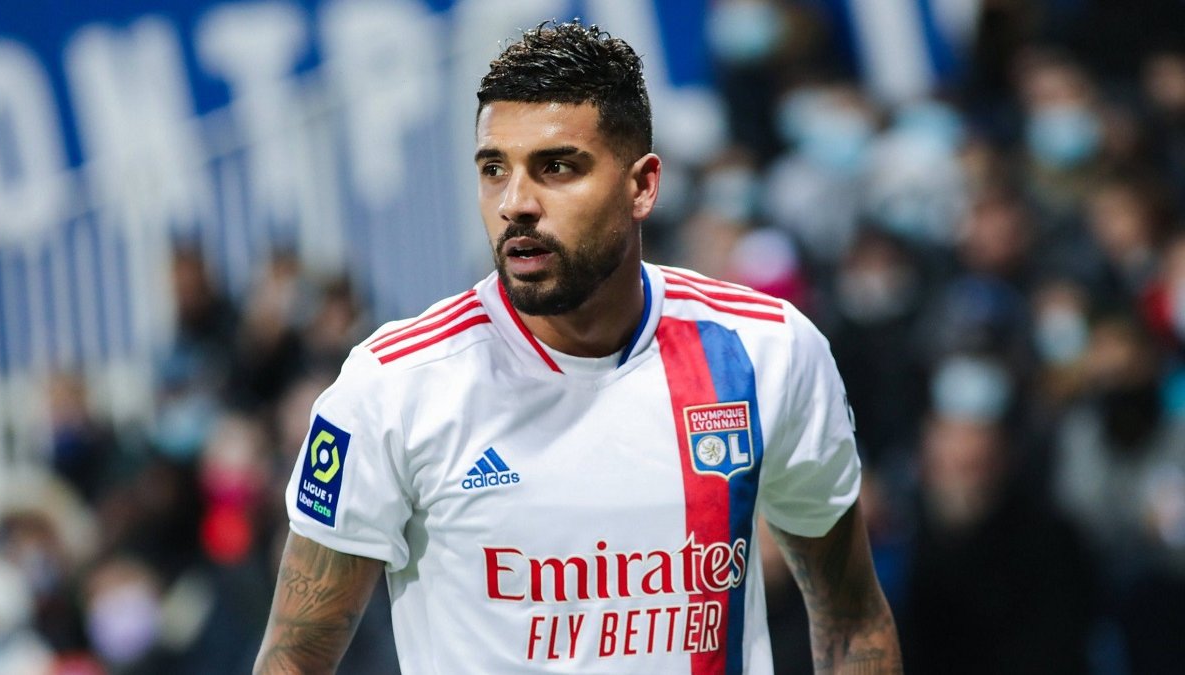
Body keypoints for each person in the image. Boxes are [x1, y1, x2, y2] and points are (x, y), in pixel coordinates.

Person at [255, 20, 900, 674]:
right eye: (494, 169)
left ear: (642, 185)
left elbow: (853, 624)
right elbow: (292, 659)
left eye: (556, 167)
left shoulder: (768, 353)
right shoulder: (393, 387)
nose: (515, 203)